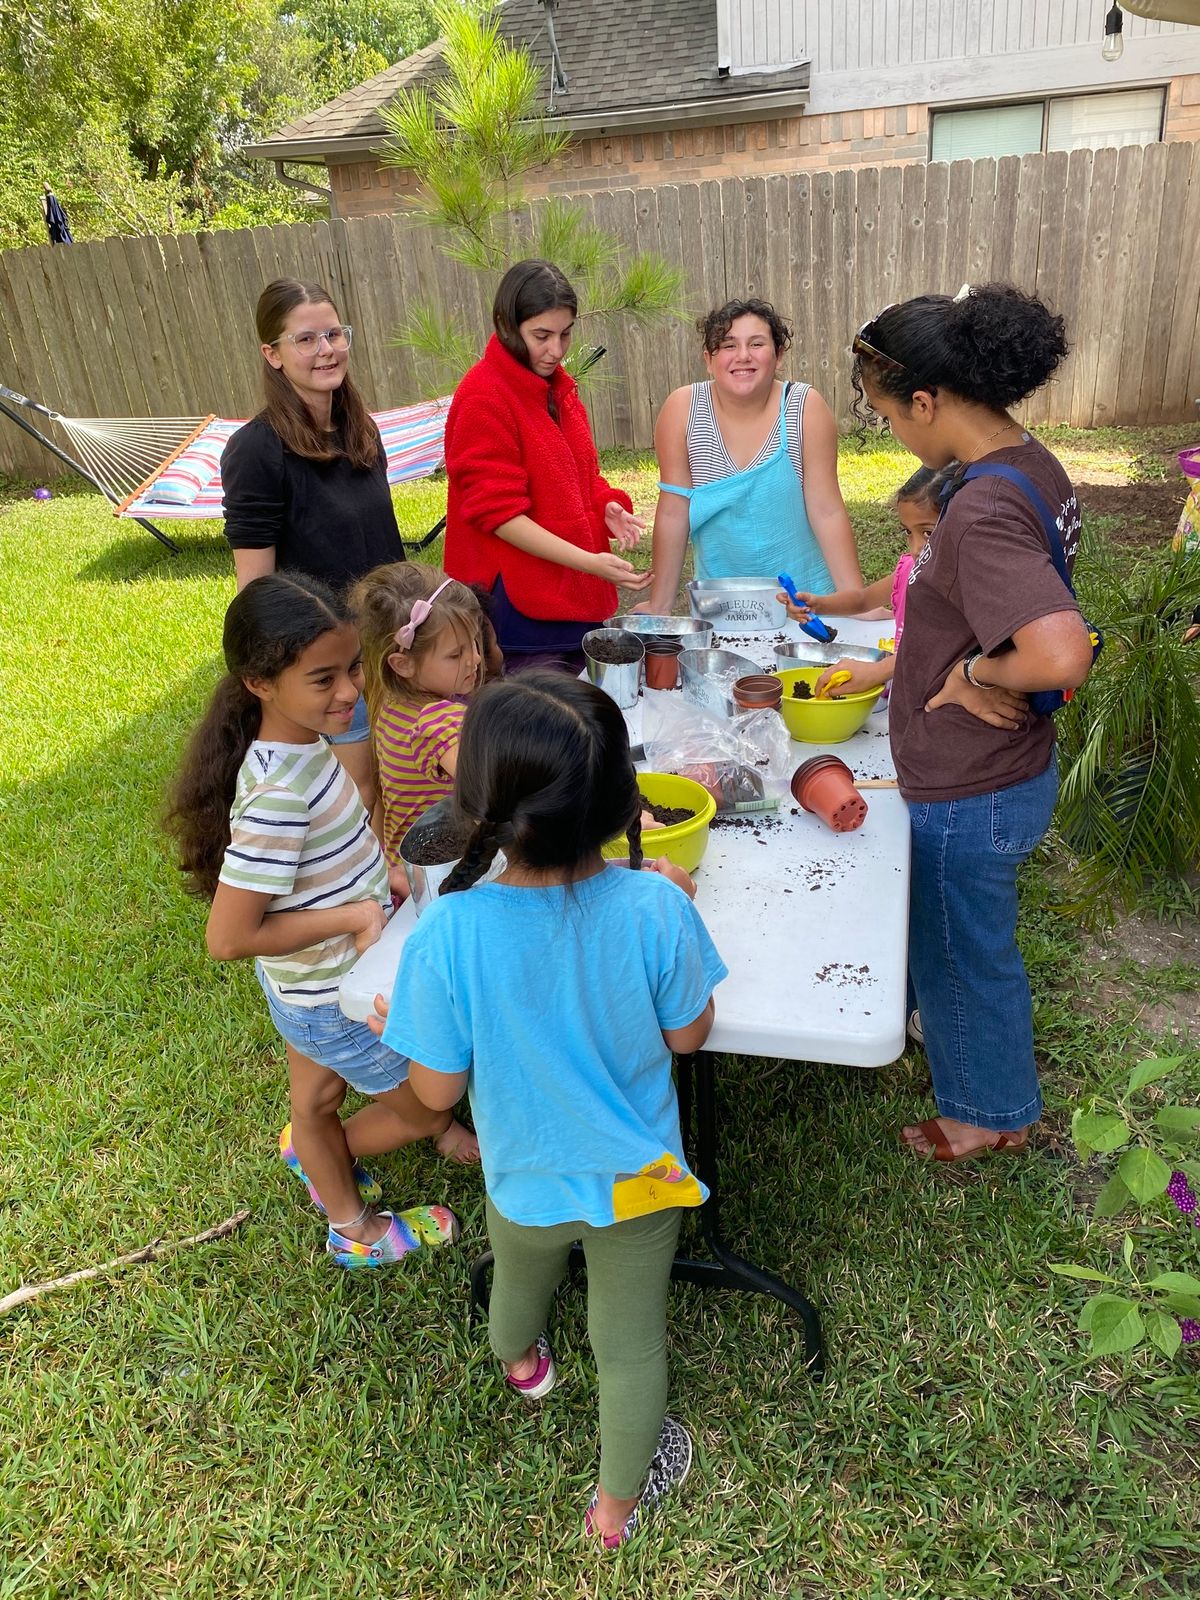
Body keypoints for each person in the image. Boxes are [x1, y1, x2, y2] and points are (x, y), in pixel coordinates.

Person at [372, 673, 727, 1546]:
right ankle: (613, 1513)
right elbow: (690, 1039)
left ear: (484, 804)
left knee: (520, 1281)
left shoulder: (447, 933)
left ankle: (521, 1363)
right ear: (623, 805)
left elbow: (432, 1097)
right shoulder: (657, 906)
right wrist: (677, 908)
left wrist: (414, 1030)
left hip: (521, 1175)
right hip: (637, 1179)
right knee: (630, 1344)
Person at [165, 573, 476, 1269]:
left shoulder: (307, 747)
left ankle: (314, 1159)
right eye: (323, 679)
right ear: (259, 684)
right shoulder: (279, 795)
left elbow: (333, 849)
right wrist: (356, 914)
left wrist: (386, 877)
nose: (348, 693)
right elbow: (229, 936)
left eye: (350, 670)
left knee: (315, 1102)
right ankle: (354, 1228)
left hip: (305, 989)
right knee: (427, 1107)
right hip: (329, 996)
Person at [850, 284, 1095, 1164]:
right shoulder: (1030, 462)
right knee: (969, 944)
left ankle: (985, 1113)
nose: (895, 436)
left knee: (962, 952)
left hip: (974, 782)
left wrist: (967, 671)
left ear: (928, 401)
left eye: (887, 418)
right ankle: (991, 1091)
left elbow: (1061, 652)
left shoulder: (985, 505)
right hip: (1006, 767)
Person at [221, 278, 407, 808]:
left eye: (334, 334)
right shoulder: (256, 450)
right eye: (306, 339)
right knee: (358, 793)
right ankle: (365, 892)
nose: (326, 350)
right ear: (272, 354)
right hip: (330, 662)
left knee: (396, 787)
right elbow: (256, 591)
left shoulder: (360, 430)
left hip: (389, 647)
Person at [442, 259, 652, 671]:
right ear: (506, 324)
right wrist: (590, 561)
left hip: (575, 601)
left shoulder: (558, 388)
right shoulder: (483, 397)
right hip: (518, 613)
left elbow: (582, 477)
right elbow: (500, 517)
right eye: (541, 335)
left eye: (565, 334)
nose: (555, 350)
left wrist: (606, 505)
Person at [640, 298, 864, 615]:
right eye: (728, 345)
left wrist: (857, 602)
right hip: (722, 609)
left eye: (756, 343)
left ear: (779, 354)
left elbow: (826, 510)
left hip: (807, 605)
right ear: (708, 359)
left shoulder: (804, 407)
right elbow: (673, 514)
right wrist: (659, 606)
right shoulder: (682, 410)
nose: (743, 356)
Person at [350, 562, 487, 869]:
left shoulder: (387, 700)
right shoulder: (442, 720)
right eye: (456, 654)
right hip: (451, 872)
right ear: (402, 664)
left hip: (404, 869)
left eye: (474, 644)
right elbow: (490, 799)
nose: (475, 659)